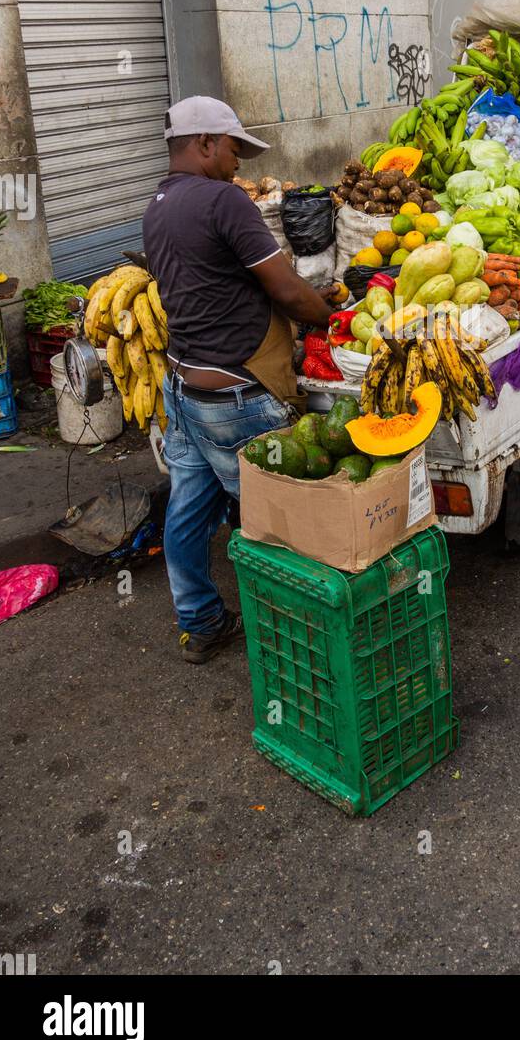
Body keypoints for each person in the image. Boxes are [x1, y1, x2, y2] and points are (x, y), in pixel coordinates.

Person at [142, 96, 336, 664]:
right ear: (204, 142)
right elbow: (284, 289)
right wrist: (332, 317)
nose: (238, 164)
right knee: (282, 521)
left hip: (184, 388)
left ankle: (201, 623)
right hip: (237, 394)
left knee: (186, 512)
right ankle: (300, 638)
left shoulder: (157, 204)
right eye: (233, 149)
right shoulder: (224, 201)